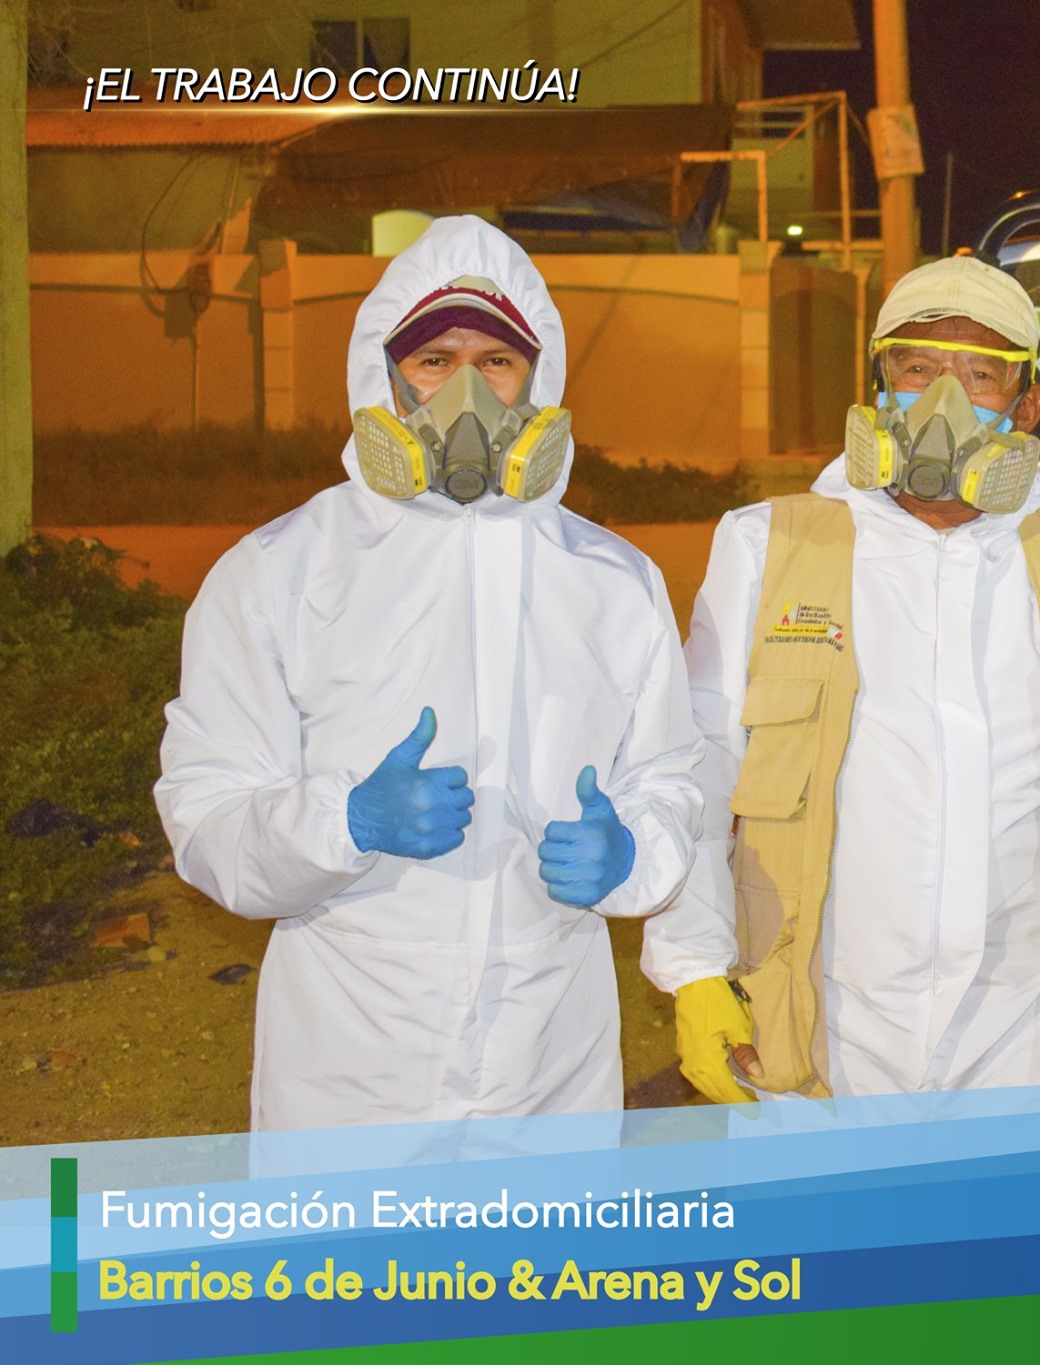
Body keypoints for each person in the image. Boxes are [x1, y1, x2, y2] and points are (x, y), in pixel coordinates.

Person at [156, 216, 707, 1130]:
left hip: (550, 1070)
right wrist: (343, 821)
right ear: (384, 376)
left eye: (496, 362)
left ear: (539, 380)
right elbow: (206, 814)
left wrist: (633, 855)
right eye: (434, 361)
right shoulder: (281, 572)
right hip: (349, 1075)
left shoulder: (613, 580)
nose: (466, 392)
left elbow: (669, 778)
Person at [641, 256, 1040, 1101]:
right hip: (822, 1019)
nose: (943, 400)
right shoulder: (769, 545)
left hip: (1028, 1025)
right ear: (879, 386)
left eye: (980, 375)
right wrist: (694, 968)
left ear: (1028, 404)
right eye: (917, 369)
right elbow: (701, 768)